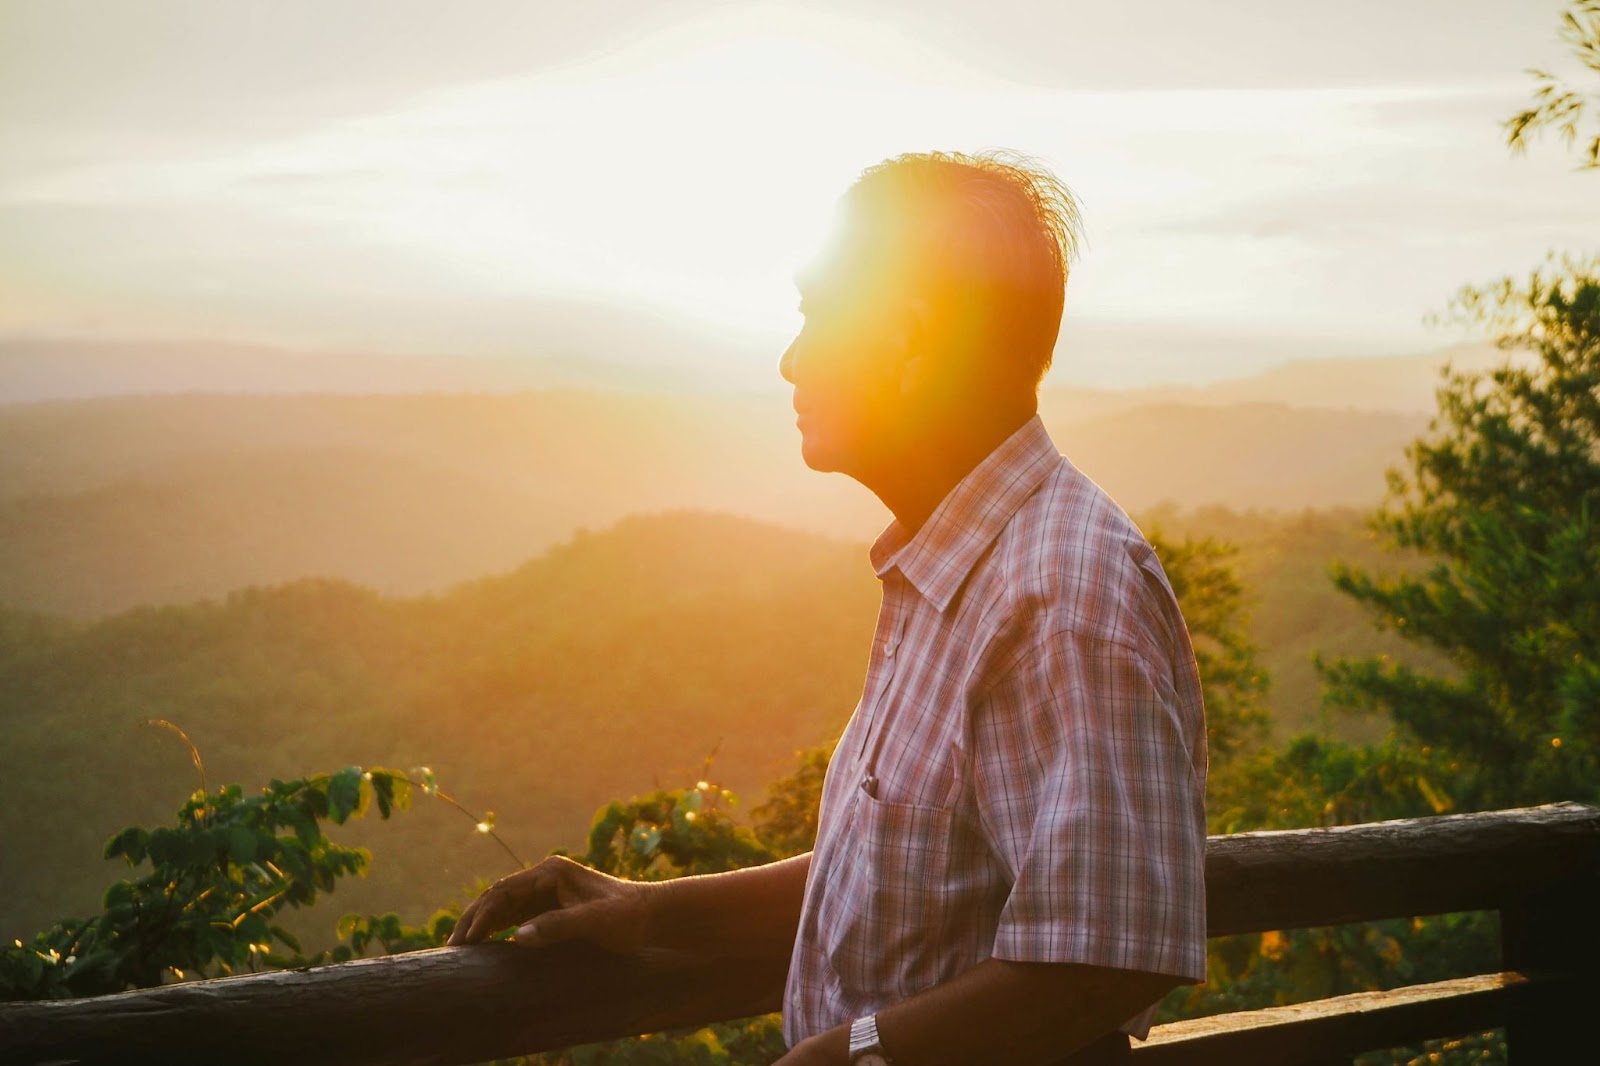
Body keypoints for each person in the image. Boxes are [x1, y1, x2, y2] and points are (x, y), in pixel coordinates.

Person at [449, 150, 1209, 1066]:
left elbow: (1097, 966)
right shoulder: (957, 569)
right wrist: (650, 913)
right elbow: (903, 872)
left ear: (915, 339)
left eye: (818, 315)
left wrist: (837, 1059)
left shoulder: (1063, 596)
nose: (791, 358)